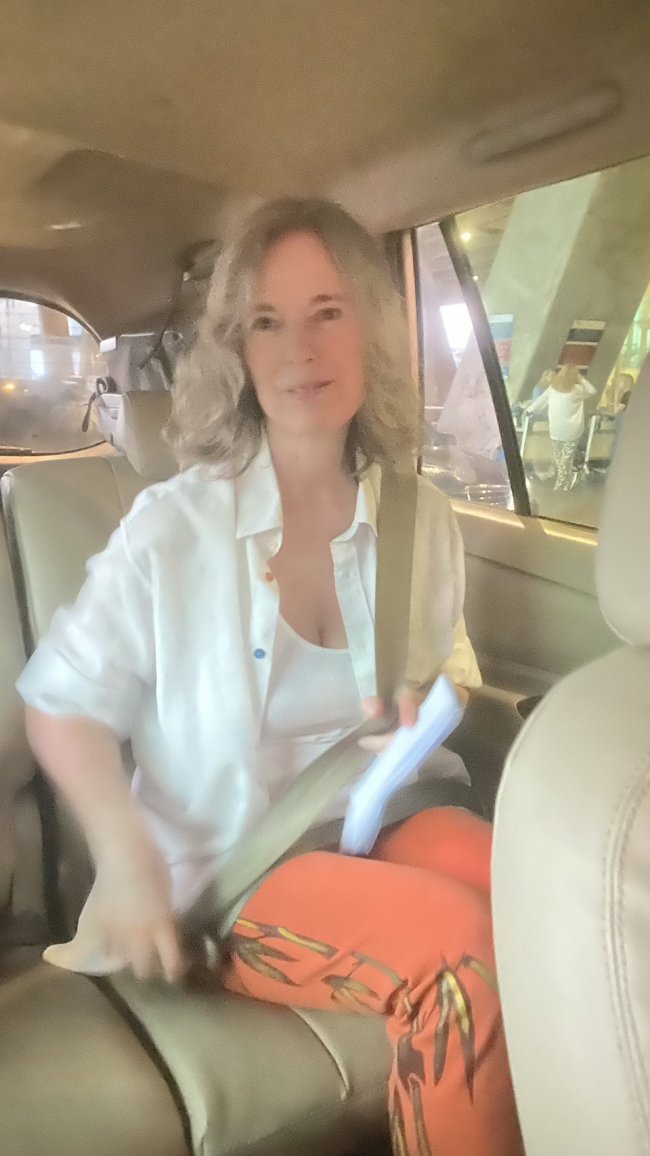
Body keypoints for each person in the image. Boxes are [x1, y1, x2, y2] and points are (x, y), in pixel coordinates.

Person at [17, 197, 523, 1156]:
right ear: (237, 353)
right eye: (267, 321)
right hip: (238, 865)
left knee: (548, 900)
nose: (301, 349)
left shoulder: (420, 519)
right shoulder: (175, 528)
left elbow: (440, 676)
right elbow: (59, 706)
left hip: (383, 814)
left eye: (328, 311)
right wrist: (125, 855)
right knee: (461, 954)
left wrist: (419, 704)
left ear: (372, 329)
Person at [526, 364, 596, 490]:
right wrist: (581, 379)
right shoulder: (578, 389)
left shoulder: (553, 388)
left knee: (559, 457)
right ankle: (564, 482)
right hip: (573, 429)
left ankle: (563, 483)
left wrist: (529, 410)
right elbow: (592, 391)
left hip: (556, 428)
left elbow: (540, 402)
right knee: (567, 456)